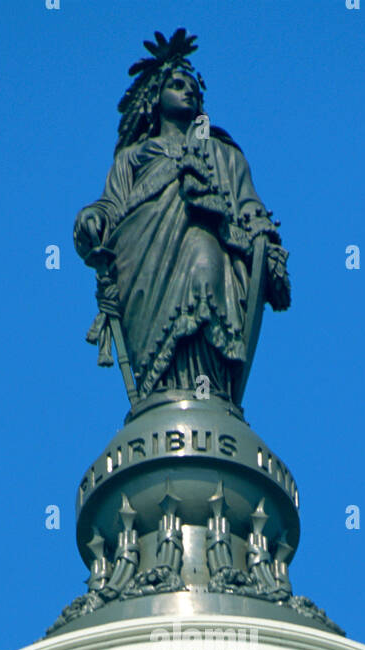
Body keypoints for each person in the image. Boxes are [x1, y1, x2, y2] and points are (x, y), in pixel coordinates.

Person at [73, 29, 290, 405]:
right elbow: (111, 206)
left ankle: (209, 396)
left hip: (207, 241)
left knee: (204, 265)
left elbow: (248, 204)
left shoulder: (224, 155)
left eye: (193, 87)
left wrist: (263, 237)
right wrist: (91, 218)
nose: (187, 91)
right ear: (153, 98)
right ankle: (163, 398)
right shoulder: (132, 157)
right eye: (176, 84)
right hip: (143, 259)